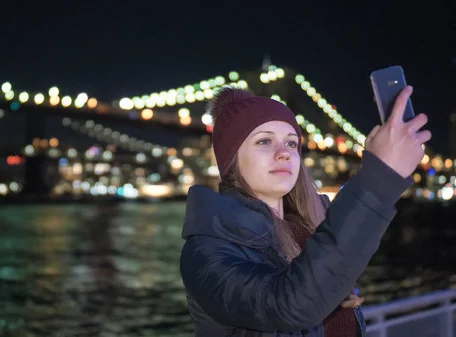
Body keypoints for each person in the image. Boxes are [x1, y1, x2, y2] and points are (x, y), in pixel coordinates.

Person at [179, 85, 430, 337]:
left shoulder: (312, 231)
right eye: (264, 141)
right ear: (232, 161)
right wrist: (379, 178)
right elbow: (288, 305)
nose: (284, 153)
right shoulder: (205, 252)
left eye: (291, 142)